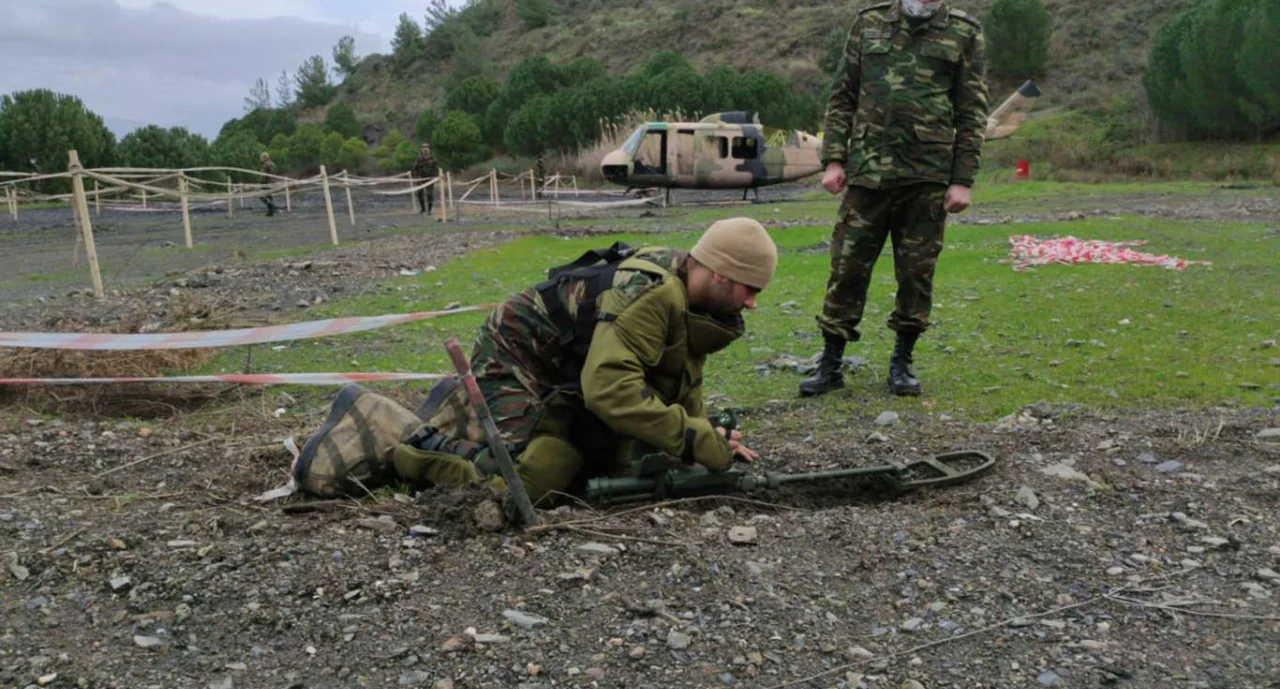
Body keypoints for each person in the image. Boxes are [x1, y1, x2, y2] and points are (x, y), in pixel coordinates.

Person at [292, 217, 778, 511]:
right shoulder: (652, 295)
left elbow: (677, 381)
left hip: (566, 371)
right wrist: (694, 440)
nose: (752, 303)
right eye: (748, 288)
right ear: (717, 272)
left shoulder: (694, 298)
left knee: (611, 462)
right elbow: (610, 391)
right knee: (540, 476)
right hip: (516, 357)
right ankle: (404, 438)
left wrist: (705, 438)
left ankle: (469, 417)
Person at [799, 0, 988, 398]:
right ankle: (830, 362)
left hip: (927, 177)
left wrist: (962, 180)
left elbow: (971, 113)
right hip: (868, 173)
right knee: (847, 269)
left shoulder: (965, 32)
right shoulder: (868, 23)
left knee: (916, 274)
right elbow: (842, 97)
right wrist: (833, 159)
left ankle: (902, 361)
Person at [411, 142, 438, 215]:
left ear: (429, 149)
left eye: (426, 148)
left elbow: (436, 169)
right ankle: (423, 209)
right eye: (424, 148)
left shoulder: (433, 159)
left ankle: (429, 210)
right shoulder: (419, 159)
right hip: (421, 179)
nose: (425, 149)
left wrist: (435, 177)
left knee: (430, 195)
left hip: (430, 179)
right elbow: (414, 169)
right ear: (421, 149)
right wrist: (416, 177)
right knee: (420, 194)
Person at [258, 152, 277, 217]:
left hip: (267, 183)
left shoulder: (265, 165)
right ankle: (271, 211)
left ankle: (271, 208)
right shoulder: (273, 164)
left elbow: (263, 175)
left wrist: (261, 183)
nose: (260, 159)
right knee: (269, 196)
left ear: (264, 158)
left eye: (261, 158)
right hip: (273, 182)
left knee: (261, 195)